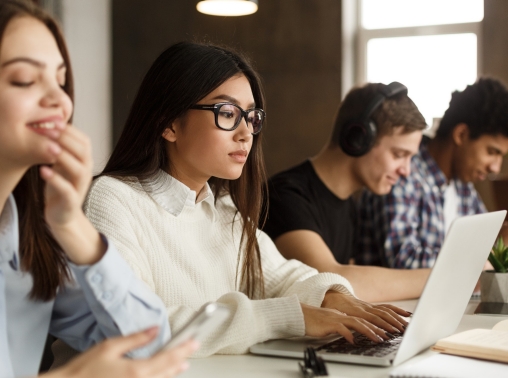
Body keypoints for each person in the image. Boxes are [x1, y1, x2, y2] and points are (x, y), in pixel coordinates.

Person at [83, 41, 411, 358]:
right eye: (227, 113)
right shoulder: (114, 199)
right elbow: (137, 334)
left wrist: (330, 296)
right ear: (169, 122)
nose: (246, 133)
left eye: (251, 117)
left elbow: (283, 277)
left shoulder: (222, 209)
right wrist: (283, 316)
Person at [0, 1, 196, 377]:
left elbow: (151, 343)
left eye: (60, 81)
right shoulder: (116, 195)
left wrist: (73, 225)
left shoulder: (28, 235)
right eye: (25, 79)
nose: (60, 101)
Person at [262, 82, 431, 302]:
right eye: (399, 154)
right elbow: (334, 283)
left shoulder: (349, 207)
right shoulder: (285, 195)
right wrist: (447, 276)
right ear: (358, 139)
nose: (406, 171)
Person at [357, 77, 508, 269]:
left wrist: (497, 247)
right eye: (492, 152)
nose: (495, 167)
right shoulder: (400, 174)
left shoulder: (464, 190)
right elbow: (404, 260)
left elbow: (487, 250)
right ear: (461, 135)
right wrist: (485, 258)